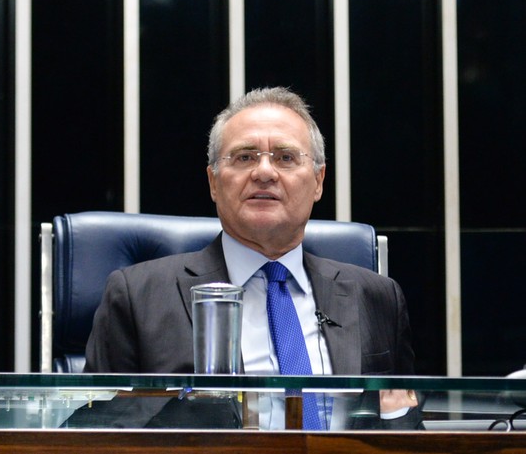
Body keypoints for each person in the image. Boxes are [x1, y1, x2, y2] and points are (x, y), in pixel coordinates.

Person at [83, 86, 421, 429]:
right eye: (244, 157)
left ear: (318, 181)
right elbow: (98, 436)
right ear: (214, 182)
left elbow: (408, 432)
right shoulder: (138, 295)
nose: (264, 172)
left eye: (286, 157)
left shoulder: (378, 298)